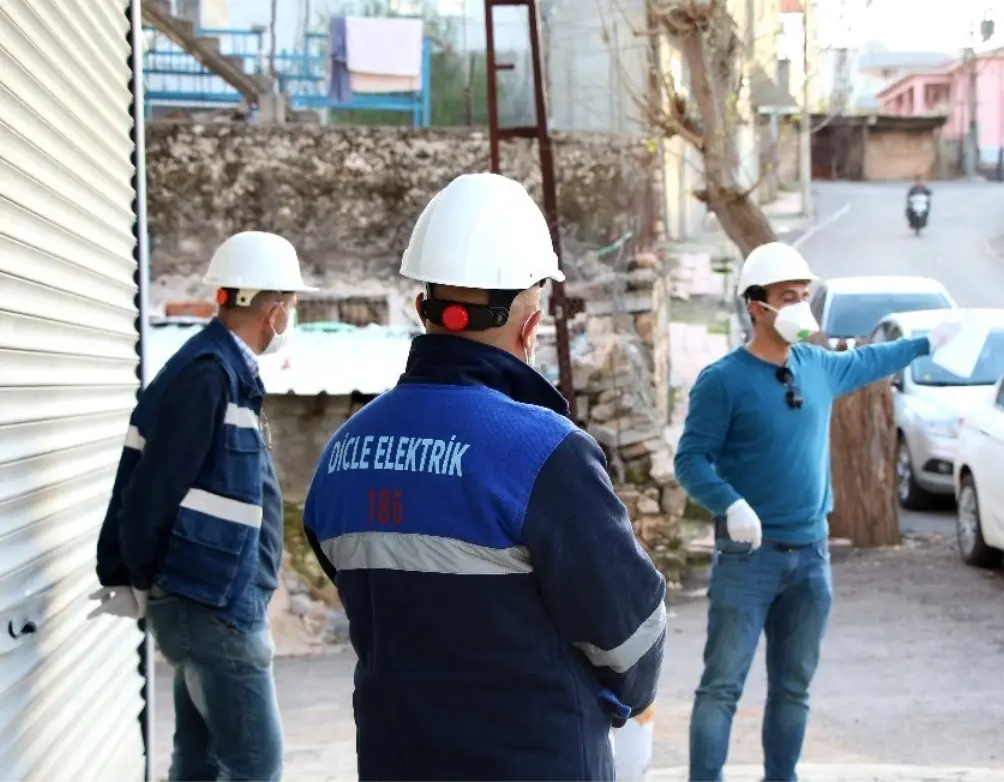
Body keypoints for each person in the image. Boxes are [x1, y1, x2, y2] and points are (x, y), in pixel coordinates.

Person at [302, 172, 668, 782]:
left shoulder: (344, 452)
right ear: (529, 327)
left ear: (422, 311)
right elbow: (632, 648)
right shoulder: (547, 454)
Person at [675, 242, 960, 782]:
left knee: (793, 687)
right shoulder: (723, 380)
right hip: (747, 558)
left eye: (805, 296)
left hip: (811, 557)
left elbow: (869, 360)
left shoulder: (817, 366)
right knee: (722, 687)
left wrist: (925, 343)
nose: (802, 307)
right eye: (789, 297)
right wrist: (729, 503)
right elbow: (690, 460)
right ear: (756, 305)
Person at [89, 231, 317, 782]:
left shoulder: (221, 372)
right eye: (293, 306)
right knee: (255, 766)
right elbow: (151, 491)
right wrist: (141, 576)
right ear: (277, 311)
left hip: (210, 599)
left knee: (201, 761)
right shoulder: (207, 376)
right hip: (212, 604)